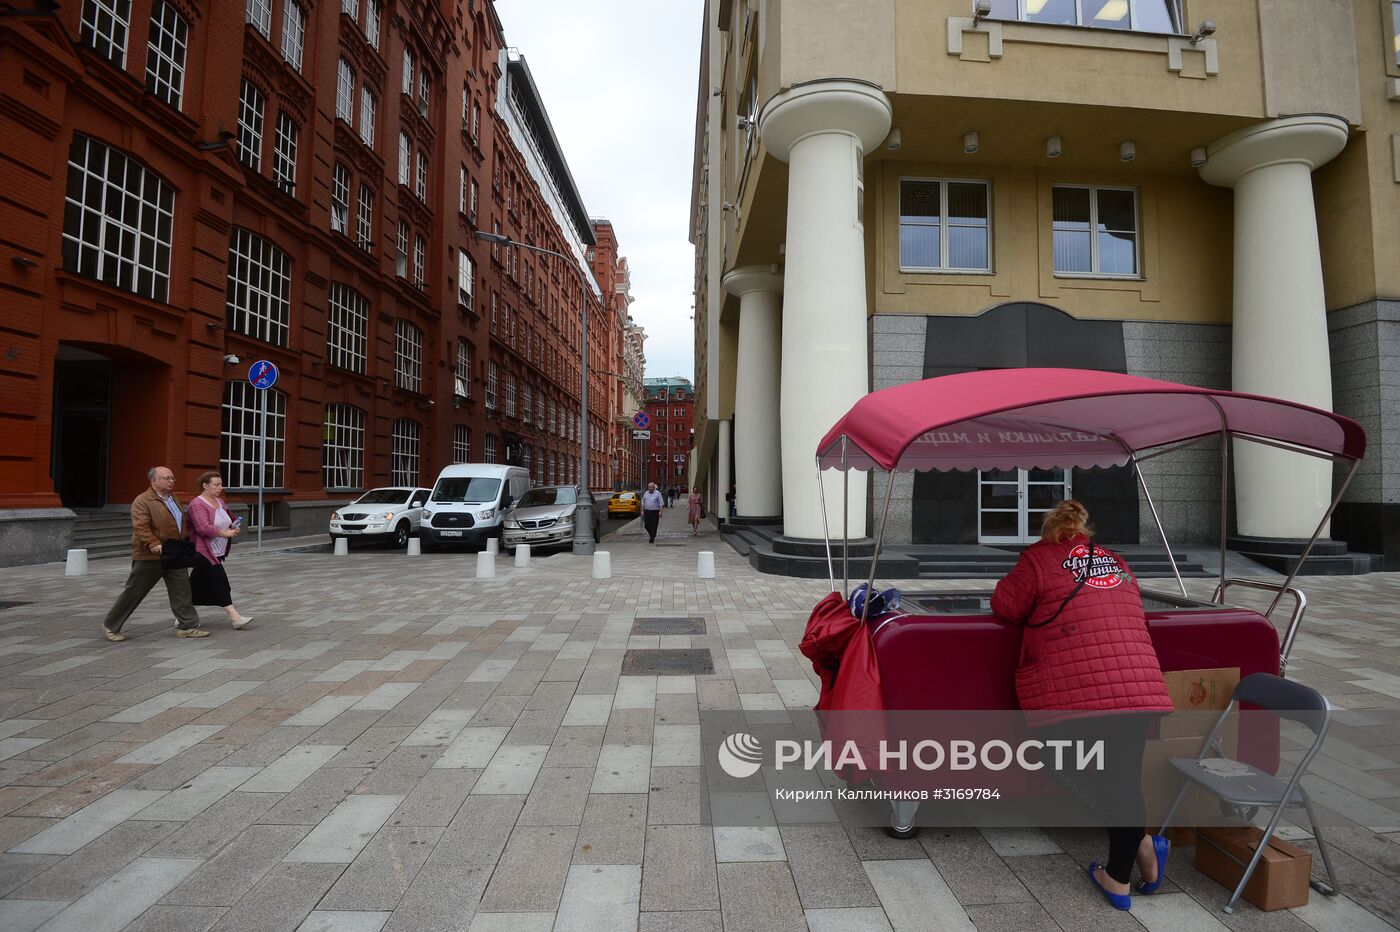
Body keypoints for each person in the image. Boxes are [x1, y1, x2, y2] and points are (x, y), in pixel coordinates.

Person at [990, 500, 1173, 911]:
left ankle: (1118, 878)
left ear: (1047, 531)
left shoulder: (1036, 560)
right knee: (1121, 780)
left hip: (1080, 691)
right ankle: (1142, 847)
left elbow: (1005, 606)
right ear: (1083, 531)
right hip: (1136, 686)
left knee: (1060, 761)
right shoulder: (1114, 560)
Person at [102, 466, 209, 641]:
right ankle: (111, 625)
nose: (171, 481)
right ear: (153, 481)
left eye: (172, 478)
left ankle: (187, 626)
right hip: (150, 555)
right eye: (166, 478)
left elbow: (178, 522)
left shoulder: (173, 497)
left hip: (175, 552)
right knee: (135, 591)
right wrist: (153, 543)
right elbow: (141, 526)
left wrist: (186, 541)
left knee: (181, 589)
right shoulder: (143, 500)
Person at [187, 471, 253, 629]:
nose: (220, 487)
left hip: (218, 551)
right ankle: (235, 618)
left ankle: (183, 614)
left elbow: (227, 519)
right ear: (205, 485)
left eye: (221, 484)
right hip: (204, 552)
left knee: (194, 586)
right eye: (216, 484)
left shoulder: (220, 502)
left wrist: (233, 526)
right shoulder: (197, 504)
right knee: (221, 583)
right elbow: (202, 528)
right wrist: (225, 533)